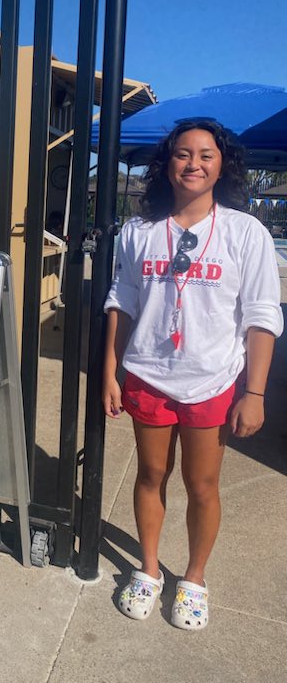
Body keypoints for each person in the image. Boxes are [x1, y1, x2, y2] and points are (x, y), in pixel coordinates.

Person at [102, 120, 283, 630]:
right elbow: (123, 303)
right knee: (149, 476)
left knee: (202, 485)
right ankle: (150, 569)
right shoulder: (138, 231)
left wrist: (255, 391)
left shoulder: (246, 233)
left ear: (222, 164)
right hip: (148, 376)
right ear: (168, 163)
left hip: (213, 381)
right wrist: (110, 371)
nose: (194, 164)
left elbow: (262, 315)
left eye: (206, 154)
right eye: (183, 154)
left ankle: (195, 579)